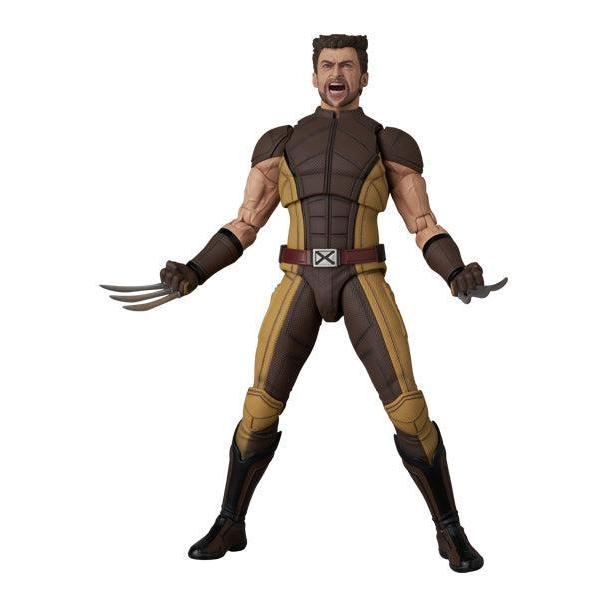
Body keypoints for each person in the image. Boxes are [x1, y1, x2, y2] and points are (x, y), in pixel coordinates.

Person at [113, 34, 497, 572]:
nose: (336, 74)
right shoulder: (283, 142)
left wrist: (454, 270)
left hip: (362, 278)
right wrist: (195, 270)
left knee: (409, 410)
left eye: (347, 65)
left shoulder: (388, 143)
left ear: (365, 77)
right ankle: (230, 522)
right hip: (298, 280)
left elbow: (423, 224)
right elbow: (246, 222)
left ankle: (449, 530)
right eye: (327, 65)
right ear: (314, 76)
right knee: (258, 409)